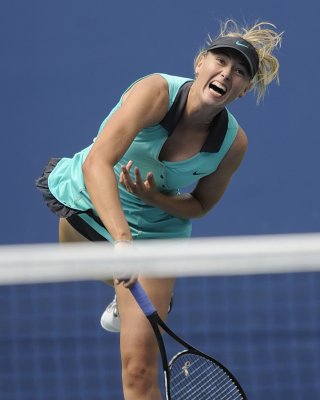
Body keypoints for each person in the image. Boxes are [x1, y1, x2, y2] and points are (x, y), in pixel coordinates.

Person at [36, 19, 282, 400]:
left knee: (138, 371)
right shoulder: (155, 92)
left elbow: (199, 205)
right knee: (76, 257)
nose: (226, 73)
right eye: (220, 60)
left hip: (156, 232)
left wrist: (155, 200)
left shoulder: (232, 145)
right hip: (93, 199)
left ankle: (138, 298)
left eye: (239, 72)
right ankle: (126, 294)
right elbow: (97, 162)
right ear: (200, 63)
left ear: (244, 89)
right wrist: (121, 242)